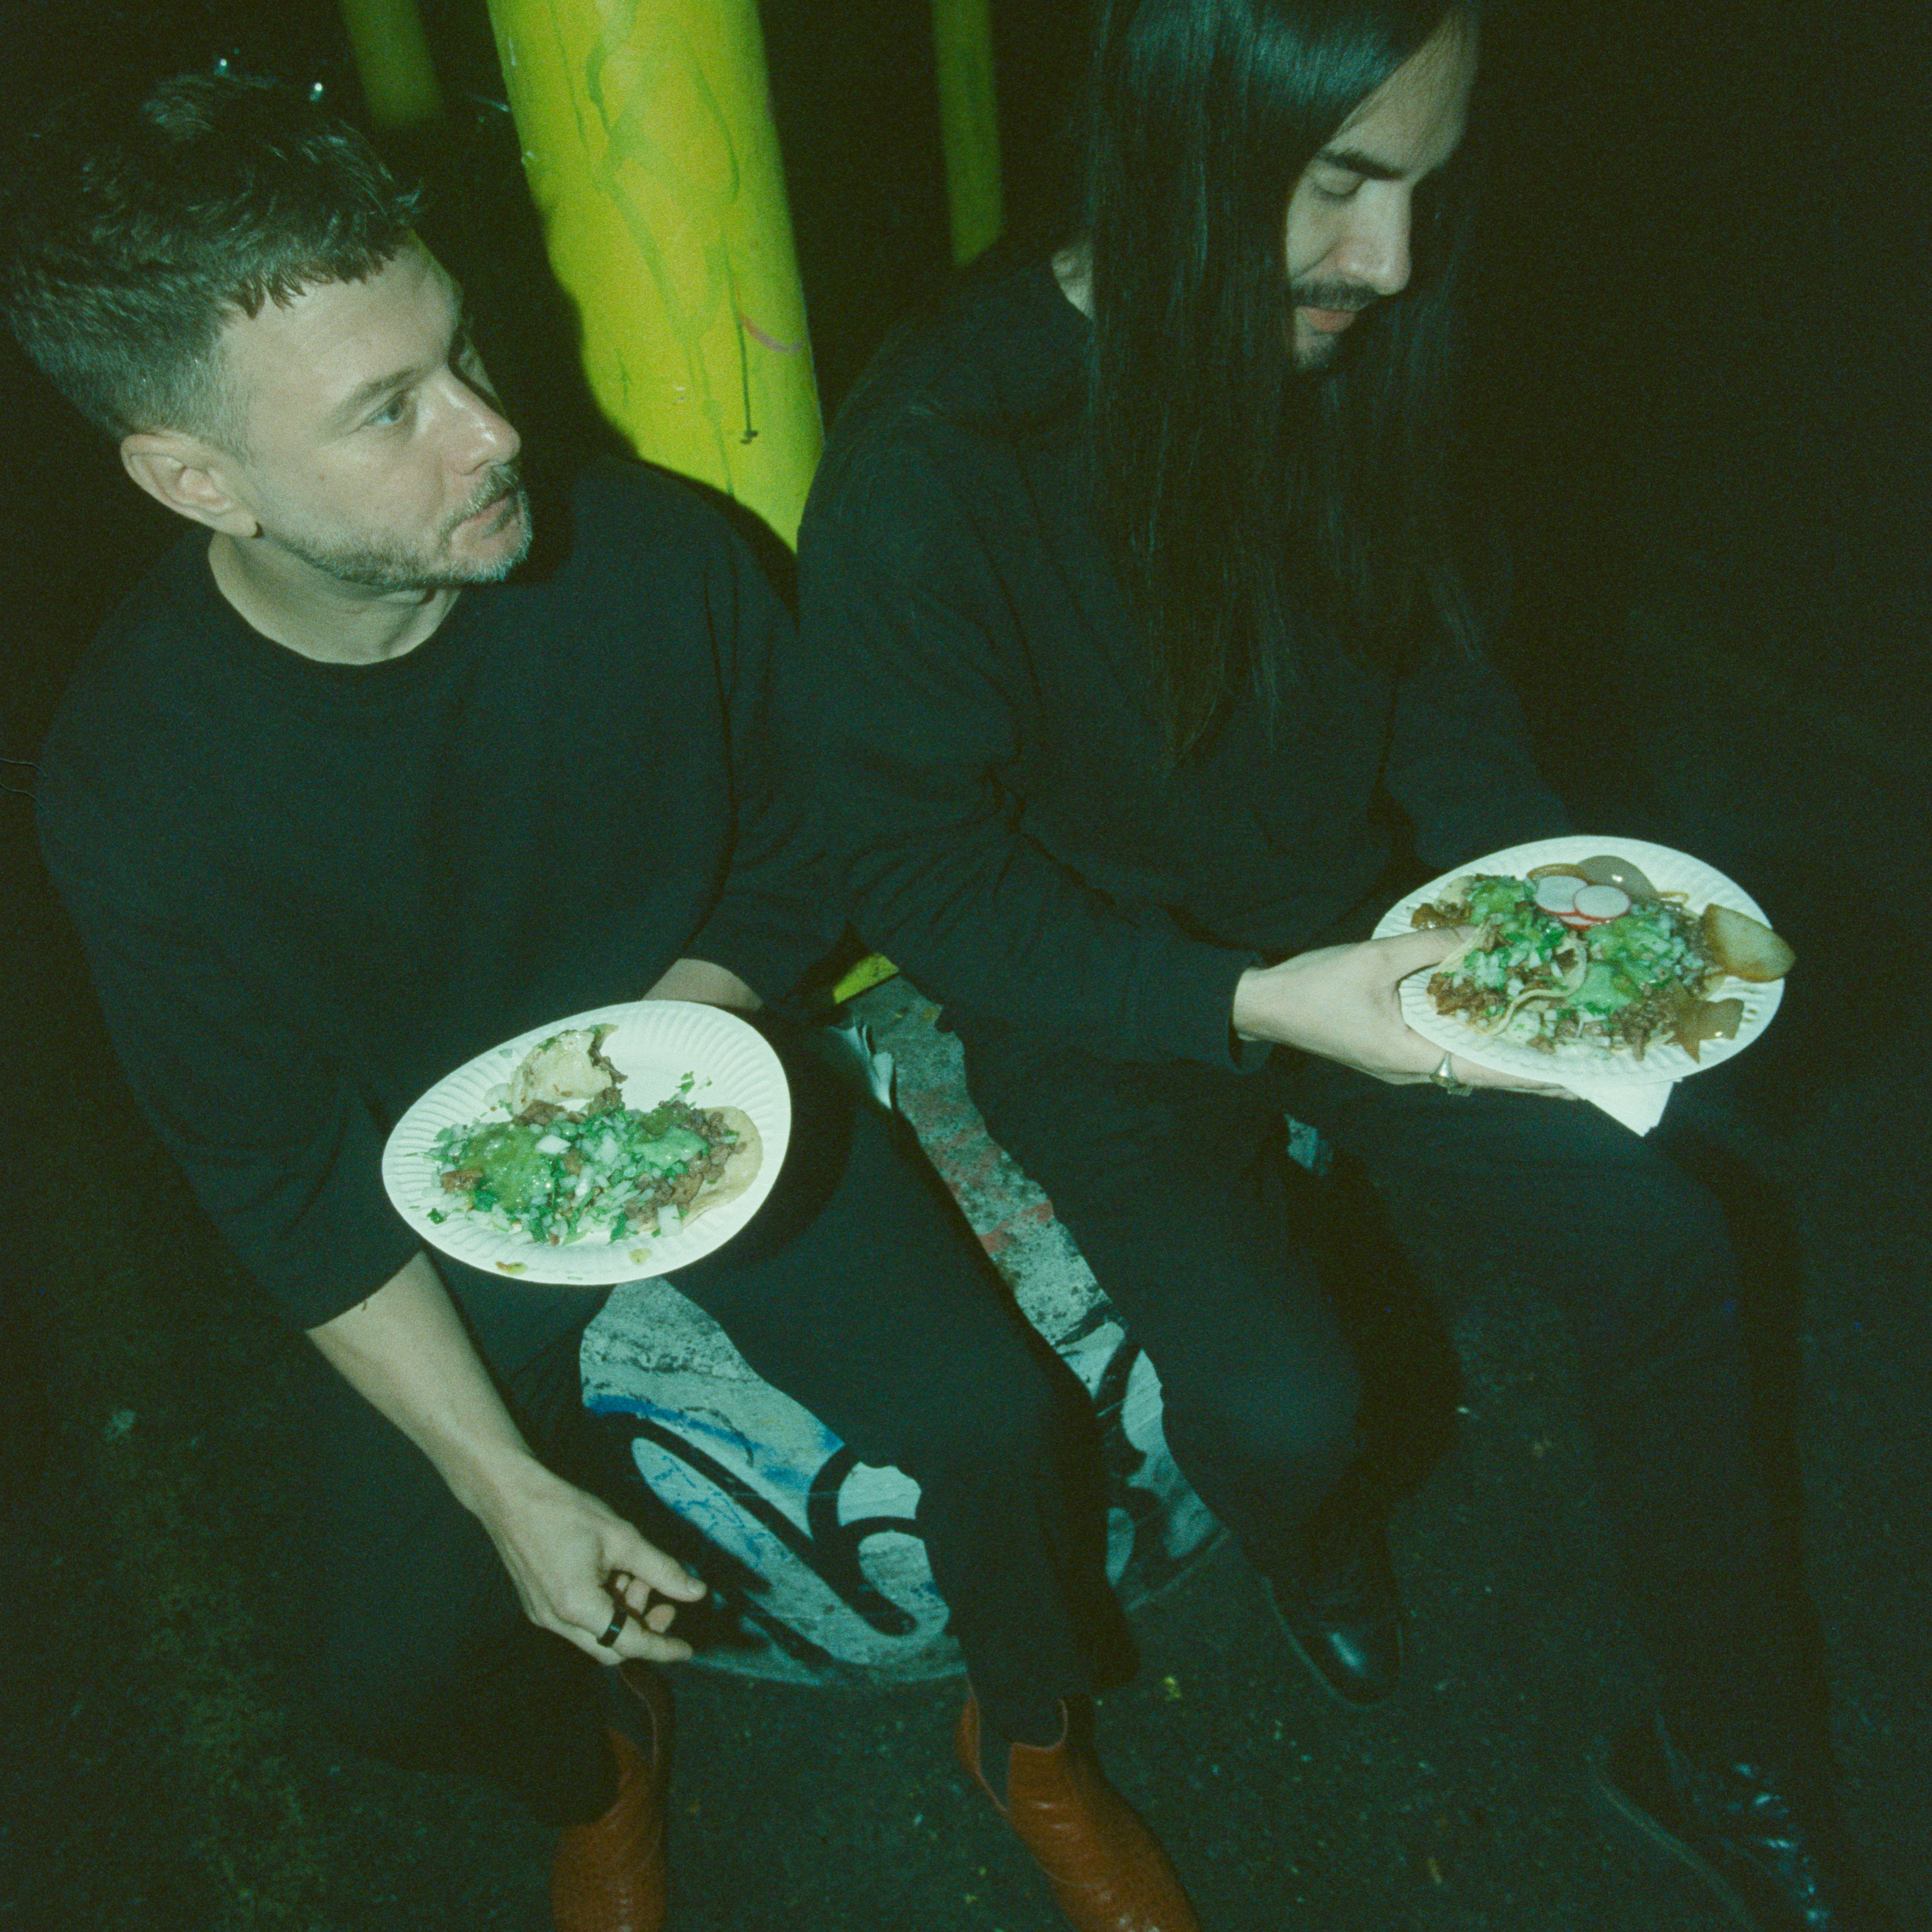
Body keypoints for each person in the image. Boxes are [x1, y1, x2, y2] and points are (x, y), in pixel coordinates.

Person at [1, 70, 1210, 1932]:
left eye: (462, 348)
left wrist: (689, 1021)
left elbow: (810, 835)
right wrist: (498, 1484)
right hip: (426, 1209)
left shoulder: (657, 558)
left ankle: (1032, 1739)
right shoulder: (130, 784)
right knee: (388, 1673)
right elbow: (271, 1174)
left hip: (711, 1070)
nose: (487, 427)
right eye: (387, 412)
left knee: (1002, 1428)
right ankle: (604, 1767)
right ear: (194, 478)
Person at [797, 2, 1891, 1928]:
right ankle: (1314, 1548)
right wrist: (1232, 1002)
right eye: (1338, 183)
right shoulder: (939, 455)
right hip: (1108, 995)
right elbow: (914, 866)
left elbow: (1433, 668)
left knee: (1672, 1247)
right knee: (1293, 1412)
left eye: (1422, 186)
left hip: (1374, 948)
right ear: (1172, 143)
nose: (1387, 263)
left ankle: (1737, 1762)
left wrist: (1550, 895)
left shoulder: (1345, 350)